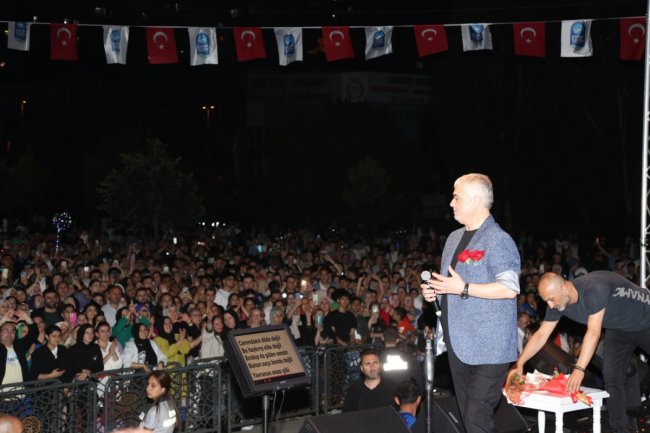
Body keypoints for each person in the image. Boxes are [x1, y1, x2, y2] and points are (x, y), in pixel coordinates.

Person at [422, 173, 520, 433]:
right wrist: (436, 292)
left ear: (476, 200)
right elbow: (451, 285)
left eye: (457, 197)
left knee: (476, 415)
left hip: (490, 346)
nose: (451, 203)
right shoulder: (453, 238)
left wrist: (463, 288)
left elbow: (509, 288)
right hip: (458, 343)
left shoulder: (498, 239)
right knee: (469, 417)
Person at [509, 271, 650, 433]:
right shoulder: (558, 302)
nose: (550, 305)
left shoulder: (594, 288)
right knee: (612, 377)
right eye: (546, 300)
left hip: (646, 319)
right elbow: (541, 334)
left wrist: (579, 369)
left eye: (551, 299)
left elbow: (594, 333)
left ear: (564, 288)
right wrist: (519, 363)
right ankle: (620, 429)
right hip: (618, 328)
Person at [0, 309, 38, 385]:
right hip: (2, 391)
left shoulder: (19, 346)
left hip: (22, 390)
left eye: (12, 331)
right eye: (5, 330)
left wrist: (27, 318)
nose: (9, 333)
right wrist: (2, 320)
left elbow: (34, 333)